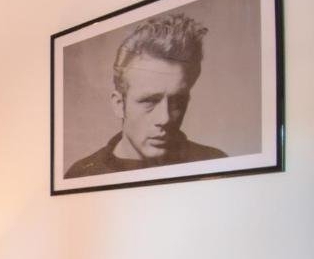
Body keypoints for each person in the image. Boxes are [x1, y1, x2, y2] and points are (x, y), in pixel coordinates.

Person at [66, 13, 226, 178]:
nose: (165, 118)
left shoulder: (215, 164)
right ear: (119, 104)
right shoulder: (81, 174)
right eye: (149, 101)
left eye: (177, 101)